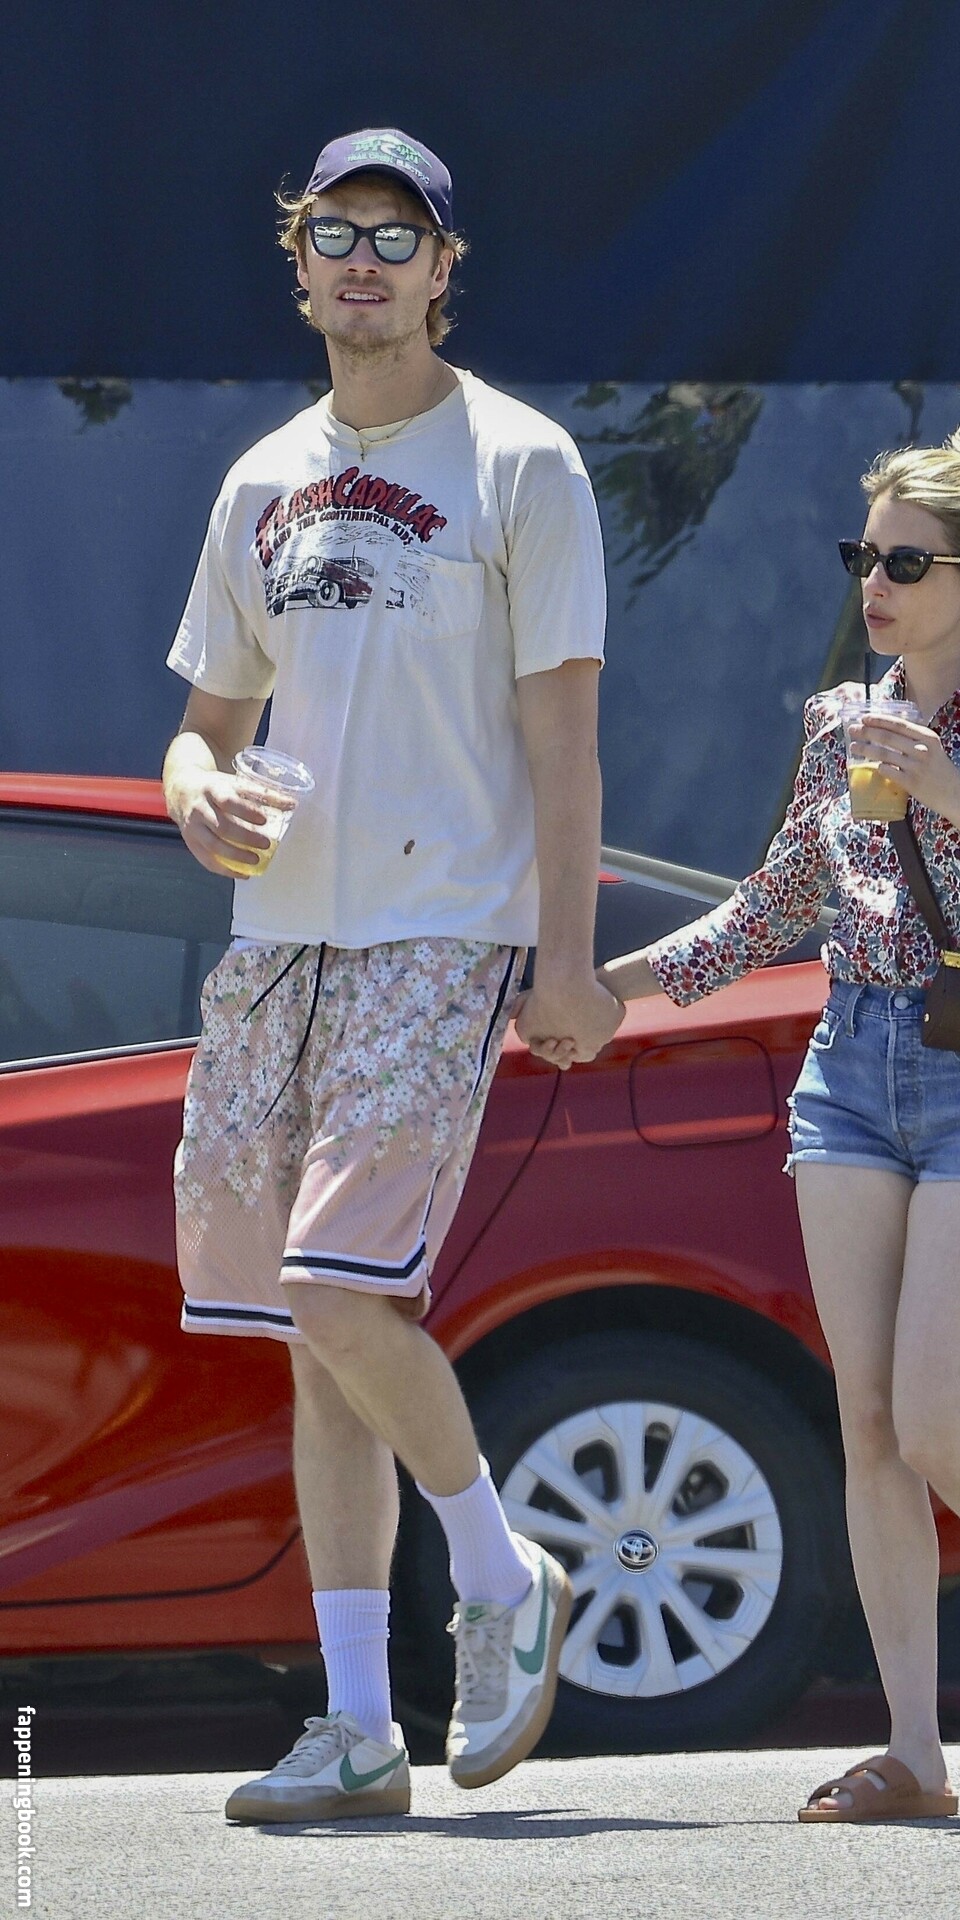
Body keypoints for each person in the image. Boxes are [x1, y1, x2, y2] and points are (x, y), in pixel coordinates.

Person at [598, 425, 960, 1822]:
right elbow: (778, 904)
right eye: (867, 556)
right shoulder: (840, 721)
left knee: (932, 1420)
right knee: (866, 1422)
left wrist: (952, 793)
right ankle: (916, 1754)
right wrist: (611, 990)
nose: (876, 584)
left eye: (907, 563)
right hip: (849, 1069)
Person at [163, 127, 622, 1823]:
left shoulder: (524, 463)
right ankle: (359, 1729)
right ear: (300, 268)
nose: (364, 262)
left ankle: (502, 1572)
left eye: (396, 235)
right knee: (317, 1328)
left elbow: (562, 742)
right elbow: (204, 727)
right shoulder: (258, 481)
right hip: (281, 940)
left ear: (444, 270)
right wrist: (195, 794)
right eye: (335, 235)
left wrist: (563, 959)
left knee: (342, 1293)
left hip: (446, 928)